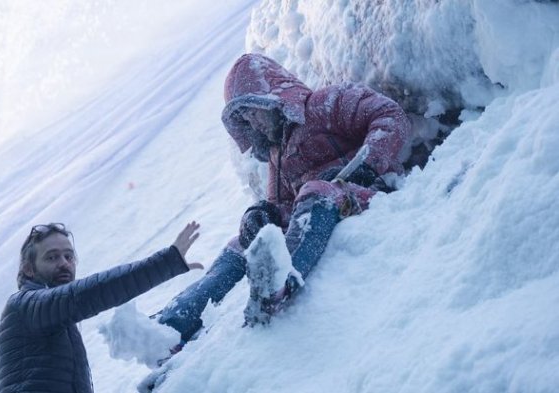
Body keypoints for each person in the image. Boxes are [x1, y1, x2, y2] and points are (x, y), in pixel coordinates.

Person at [155, 53, 412, 344]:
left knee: (316, 191)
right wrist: (262, 215)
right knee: (242, 243)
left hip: (370, 193)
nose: (253, 122)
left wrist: (367, 164)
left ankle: (280, 281)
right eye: (245, 118)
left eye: (253, 110)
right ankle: (174, 322)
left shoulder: (326, 104)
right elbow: (284, 207)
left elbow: (389, 115)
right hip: (321, 208)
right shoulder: (277, 154)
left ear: (271, 97)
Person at [0, 221, 202, 393]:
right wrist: (166, 263)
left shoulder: (50, 316)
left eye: (69, 256)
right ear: (28, 269)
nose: (64, 263)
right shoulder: (24, 306)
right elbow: (88, 294)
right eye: (52, 257)